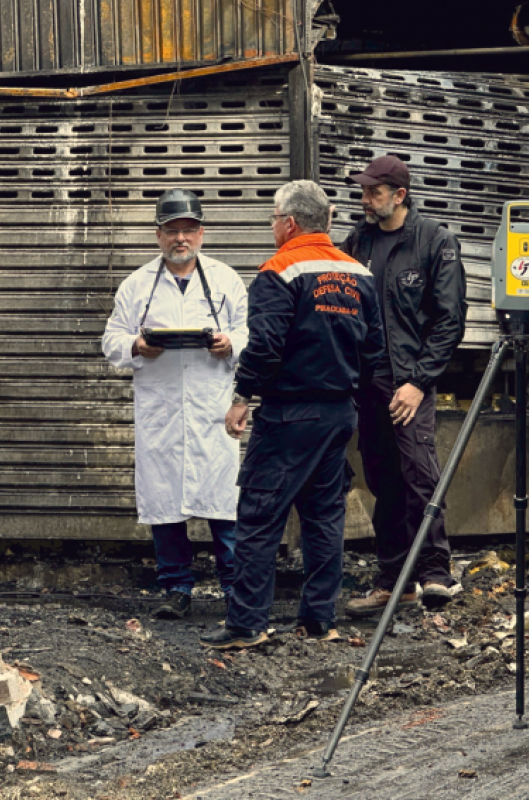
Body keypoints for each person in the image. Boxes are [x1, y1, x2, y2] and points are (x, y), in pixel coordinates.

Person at [199, 180, 385, 650]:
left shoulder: (279, 270)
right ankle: (320, 620)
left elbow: (264, 346)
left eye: (272, 219)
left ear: (289, 223)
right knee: (324, 517)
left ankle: (246, 625)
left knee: (260, 515)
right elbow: (375, 348)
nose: (272, 228)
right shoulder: (358, 273)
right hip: (339, 412)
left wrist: (242, 397)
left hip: (289, 416)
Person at [101, 189, 249, 620]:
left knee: (223, 500)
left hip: (212, 407)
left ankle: (235, 588)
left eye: (188, 230)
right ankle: (176, 588)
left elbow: (251, 333)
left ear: (201, 232)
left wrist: (230, 344)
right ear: (158, 235)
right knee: (165, 501)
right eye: (172, 231)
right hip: (161, 410)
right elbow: (110, 339)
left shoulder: (225, 280)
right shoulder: (137, 284)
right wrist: (136, 345)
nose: (180, 238)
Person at [339, 154, 467, 616]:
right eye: (365, 191)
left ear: (399, 195)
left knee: (419, 474)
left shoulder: (434, 241)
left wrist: (417, 382)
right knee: (383, 481)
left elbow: (449, 321)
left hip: (410, 384)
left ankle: (435, 572)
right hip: (368, 385)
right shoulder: (358, 241)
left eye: (374, 192)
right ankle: (394, 582)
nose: (366, 199)